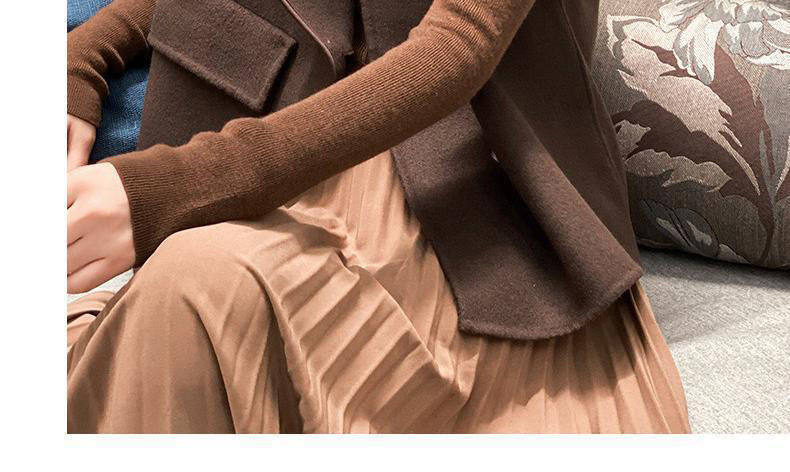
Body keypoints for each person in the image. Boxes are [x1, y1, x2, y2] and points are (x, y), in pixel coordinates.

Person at [66, 0, 691, 433]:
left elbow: (459, 45)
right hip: (292, 152)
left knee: (196, 289)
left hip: (474, 204)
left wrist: (174, 186)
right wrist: (79, 60)